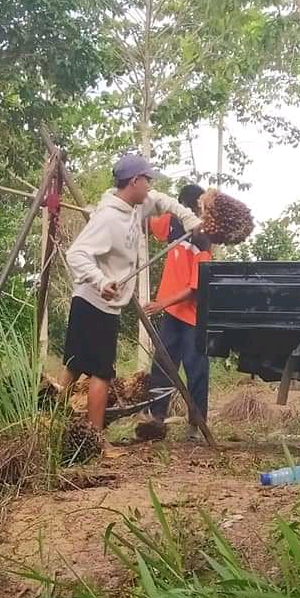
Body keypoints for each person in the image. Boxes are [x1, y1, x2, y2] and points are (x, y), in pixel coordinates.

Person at [62, 154, 201, 434]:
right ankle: (97, 438)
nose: (150, 186)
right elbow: (75, 254)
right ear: (135, 181)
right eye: (147, 180)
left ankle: (45, 424)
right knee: (101, 373)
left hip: (97, 303)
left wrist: (189, 218)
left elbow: (163, 200)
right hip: (95, 302)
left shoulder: (136, 205)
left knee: (73, 366)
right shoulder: (108, 218)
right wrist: (101, 280)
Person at [144, 183, 211, 442]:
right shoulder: (171, 223)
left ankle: (197, 426)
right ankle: (155, 419)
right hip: (172, 315)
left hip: (192, 317)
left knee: (196, 373)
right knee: (162, 366)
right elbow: (148, 223)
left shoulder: (202, 239)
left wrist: (161, 303)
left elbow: (195, 289)